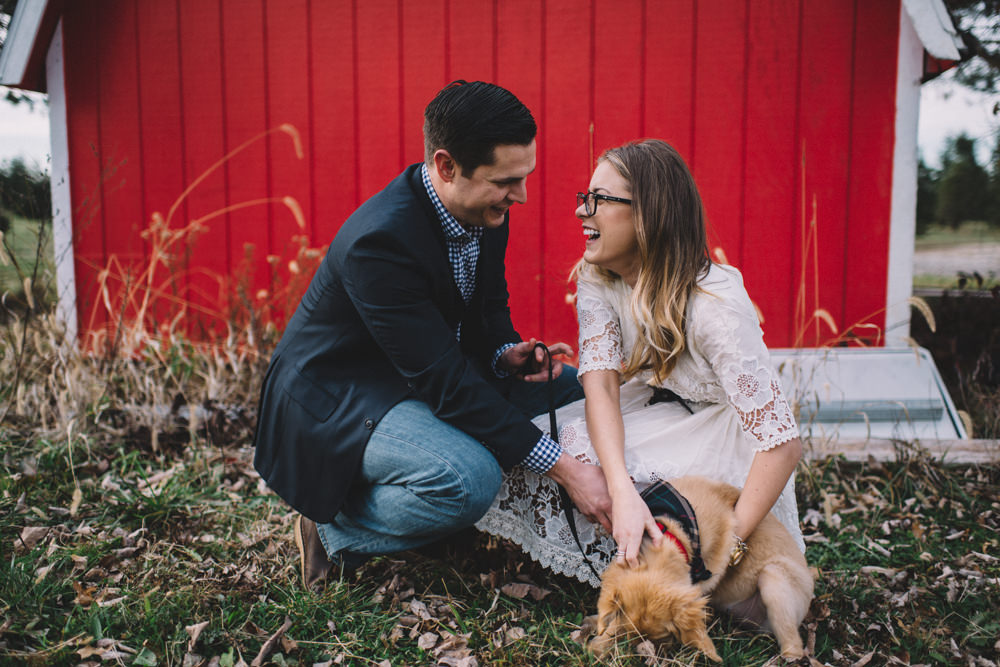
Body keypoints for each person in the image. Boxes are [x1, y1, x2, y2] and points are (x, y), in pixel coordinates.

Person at [253, 81, 612, 590]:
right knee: (467, 481)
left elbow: (488, 309)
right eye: (507, 180)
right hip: (339, 395)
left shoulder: (486, 211)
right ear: (446, 167)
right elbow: (444, 385)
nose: (522, 195)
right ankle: (333, 528)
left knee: (576, 388)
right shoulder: (379, 243)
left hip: (418, 372)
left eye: (526, 176)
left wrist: (504, 353)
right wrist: (568, 470)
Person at [477, 139, 804, 587]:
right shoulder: (599, 277)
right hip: (658, 407)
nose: (580, 212)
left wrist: (727, 546)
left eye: (599, 200)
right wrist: (621, 491)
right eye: (584, 197)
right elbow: (602, 387)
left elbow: (781, 446)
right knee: (556, 445)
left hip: (725, 437)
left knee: (673, 504)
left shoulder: (716, 307)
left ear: (648, 214)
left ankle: (667, 565)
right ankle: (613, 555)